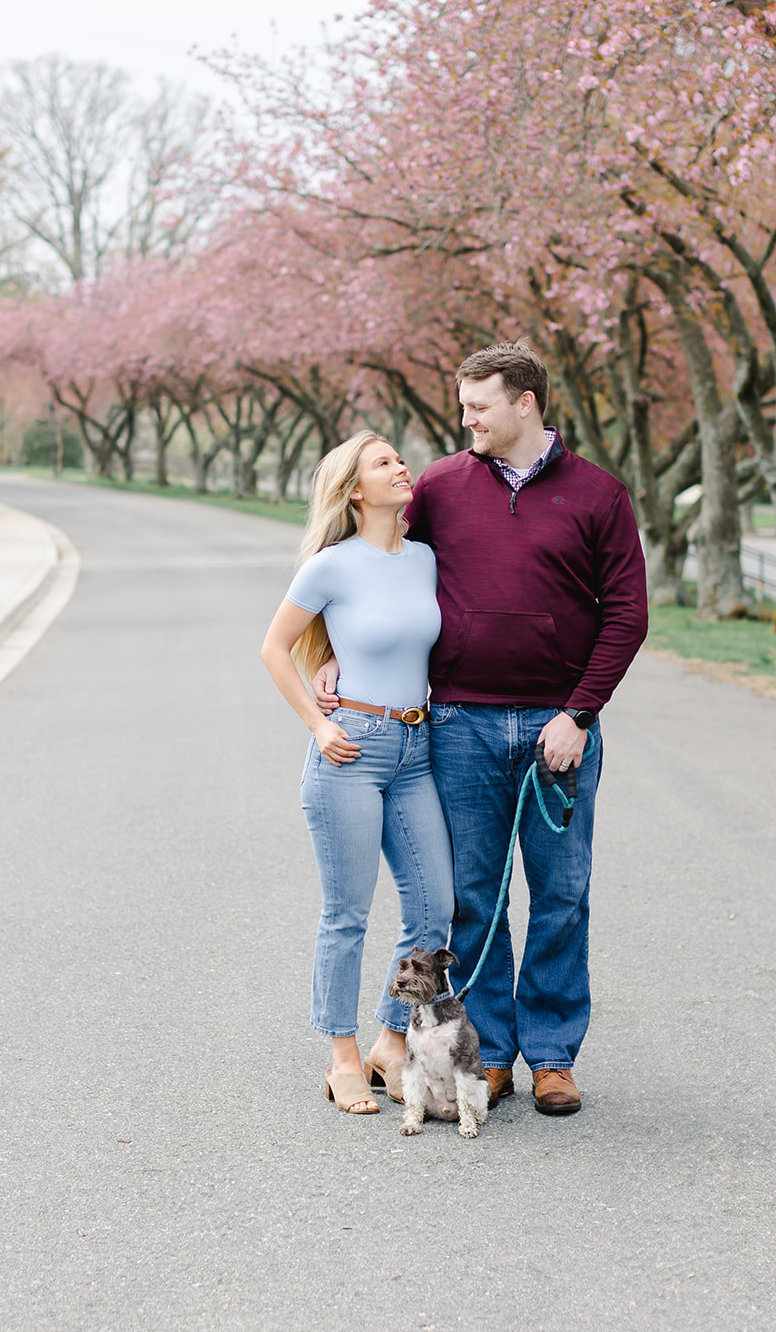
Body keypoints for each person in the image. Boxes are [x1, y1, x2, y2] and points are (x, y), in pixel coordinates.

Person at [319, 343, 649, 1116]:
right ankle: (489, 1053)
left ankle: (554, 1056)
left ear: (525, 403)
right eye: (462, 404)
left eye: (478, 406)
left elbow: (627, 614)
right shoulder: (436, 486)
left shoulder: (598, 495)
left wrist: (579, 713)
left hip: (556, 730)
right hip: (460, 723)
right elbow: (374, 569)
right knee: (476, 900)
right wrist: (331, 654)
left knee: (562, 894)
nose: (463, 418)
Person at [261, 430, 454, 1115]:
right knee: (346, 914)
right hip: (350, 747)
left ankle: (390, 1041)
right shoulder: (330, 566)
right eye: (383, 463)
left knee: (434, 909)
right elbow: (275, 648)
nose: (401, 468)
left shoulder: (427, 559)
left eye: (400, 459)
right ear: (353, 490)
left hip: (416, 746)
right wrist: (319, 724)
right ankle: (342, 1056)